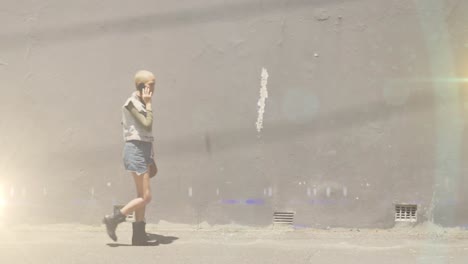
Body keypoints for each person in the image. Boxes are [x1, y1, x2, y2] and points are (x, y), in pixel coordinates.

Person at [103, 70, 158, 246]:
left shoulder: (141, 102)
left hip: (143, 150)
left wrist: (151, 158)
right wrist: (149, 104)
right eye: (151, 84)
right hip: (135, 150)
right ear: (143, 86)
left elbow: (145, 135)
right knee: (146, 197)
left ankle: (139, 236)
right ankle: (114, 219)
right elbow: (147, 125)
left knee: (141, 195)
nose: (154, 88)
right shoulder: (131, 104)